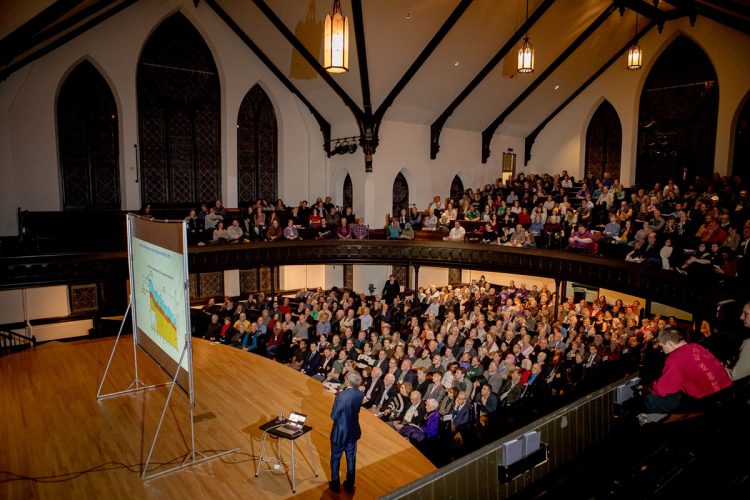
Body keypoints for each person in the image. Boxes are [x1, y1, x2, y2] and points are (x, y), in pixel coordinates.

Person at [642, 327, 732, 413]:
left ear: (669, 343)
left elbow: (660, 389)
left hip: (705, 402)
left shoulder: (675, 357)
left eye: (661, 347)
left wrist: (645, 388)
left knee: (651, 399)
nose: (661, 350)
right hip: (725, 394)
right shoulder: (696, 346)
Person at [329, 371, 365, 493]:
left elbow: (333, 415)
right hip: (353, 430)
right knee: (351, 458)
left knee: (335, 458)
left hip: (340, 432)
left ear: (348, 381)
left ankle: (335, 484)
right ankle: (350, 484)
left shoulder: (341, 396)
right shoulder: (360, 393)